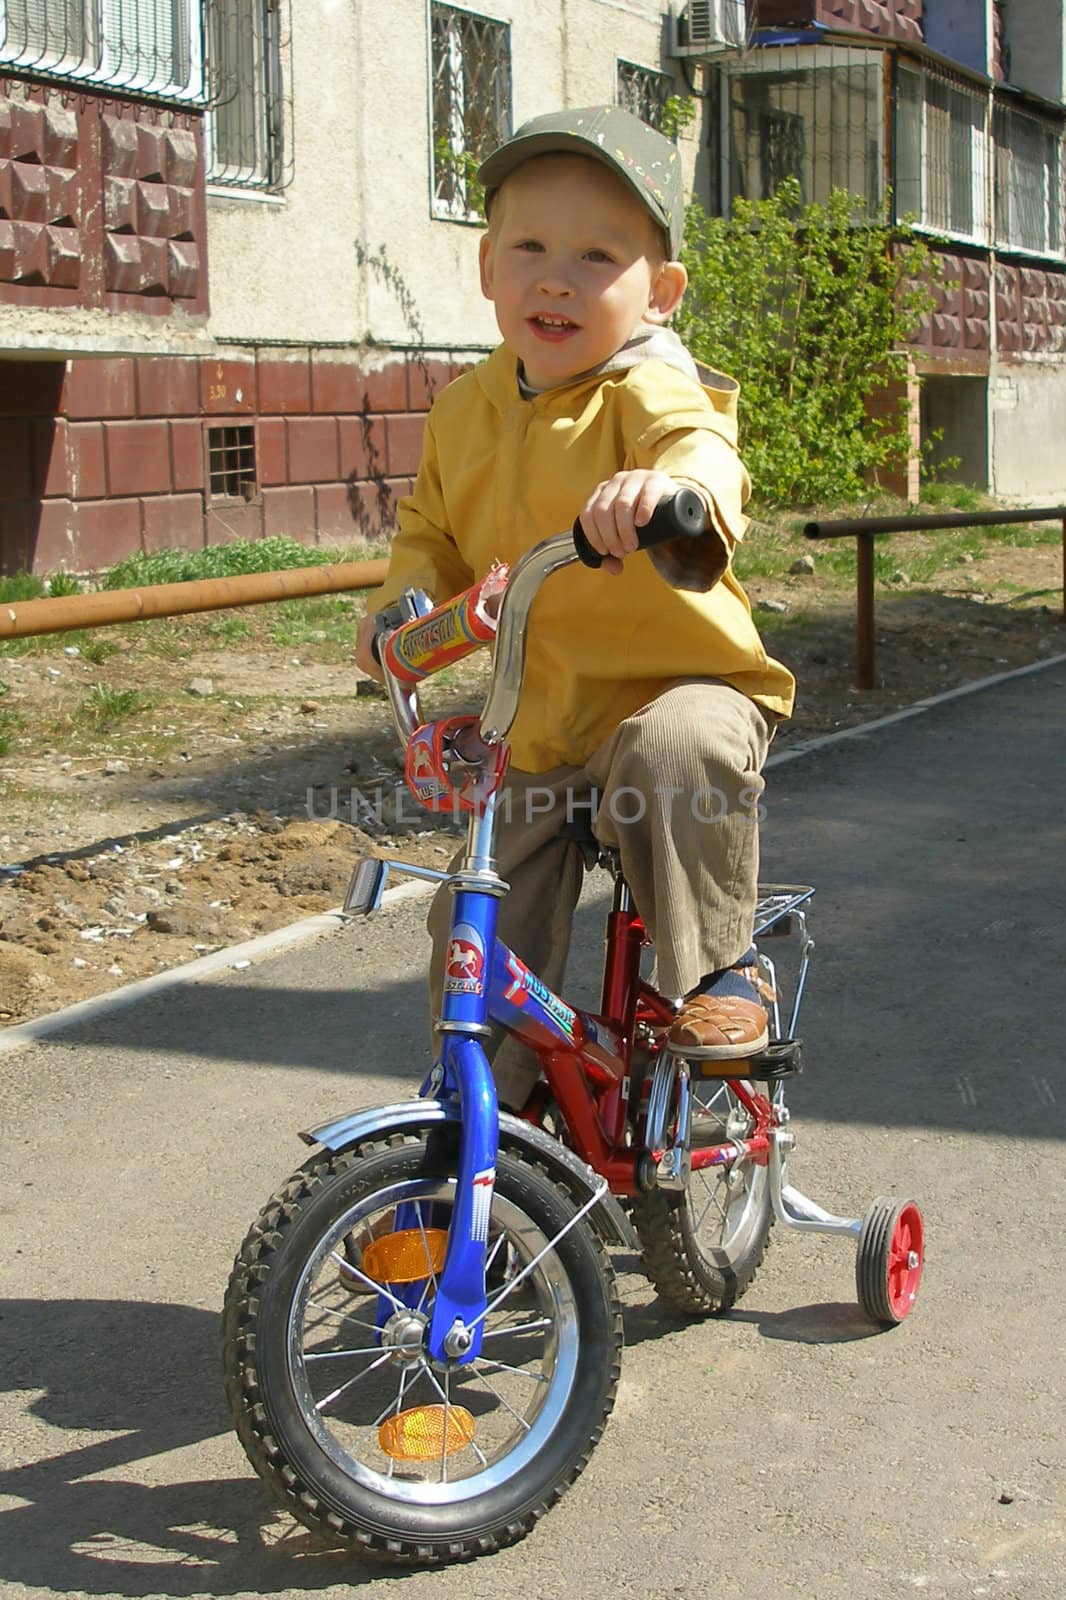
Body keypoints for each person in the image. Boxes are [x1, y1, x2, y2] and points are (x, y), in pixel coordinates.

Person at [355, 105, 795, 1111]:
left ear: (661, 294)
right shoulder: (462, 411)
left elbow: (699, 444)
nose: (556, 278)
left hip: (685, 688)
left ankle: (721, 970)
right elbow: (429, 533)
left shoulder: (645, 384)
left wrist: (670, 495)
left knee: (674, 755)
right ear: (486, 268)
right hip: (540, 721)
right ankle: (488, 1121)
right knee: (476, 912)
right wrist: (395, 614)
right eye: (531, 248)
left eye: (598, 255)